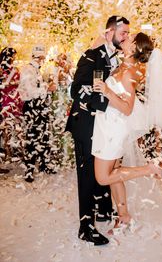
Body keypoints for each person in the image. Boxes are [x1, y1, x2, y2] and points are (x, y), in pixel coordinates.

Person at [92, 33, 162, 234]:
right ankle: (124, 217)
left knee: (103, 178)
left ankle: (149, 169)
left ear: (135, 46)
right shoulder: (125, 67)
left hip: (112, 129)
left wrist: (106, 91)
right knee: (115, 175)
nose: (125, 38)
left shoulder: (129, 73)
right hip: (107, 124)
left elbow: (127, 109)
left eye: (129, 38)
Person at [66, 16, 130, 246]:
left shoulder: (114, 58)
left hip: (102, 124)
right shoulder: (90, 56)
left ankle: (103, 210)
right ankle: (86, 227)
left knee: (102, 166)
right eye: (122, 33)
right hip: (85, 124)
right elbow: (77, 91)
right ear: (109, 32)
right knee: (87, 173)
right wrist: (109, 104)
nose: (125, 38)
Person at [18, 45, 57, 183]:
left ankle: (44, 165)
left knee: (45, 135)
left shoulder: (36, 71)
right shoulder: (27, 70)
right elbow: (31, 92)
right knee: (32, 138)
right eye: (43, 57)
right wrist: (48, 87)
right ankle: (29, 170)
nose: (44, 59)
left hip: (41, 106)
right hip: (32, 106)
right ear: (39, 57)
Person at [0, 47, 23, 161]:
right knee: (6, 127)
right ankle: (7, 152)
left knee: (16, 126)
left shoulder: (15, 68)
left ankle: (14, 150)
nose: (14, 58)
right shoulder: (1, 69)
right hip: (6, 100)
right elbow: (3, 85)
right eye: (13, 55)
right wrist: (13, 82)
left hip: (16, 99)